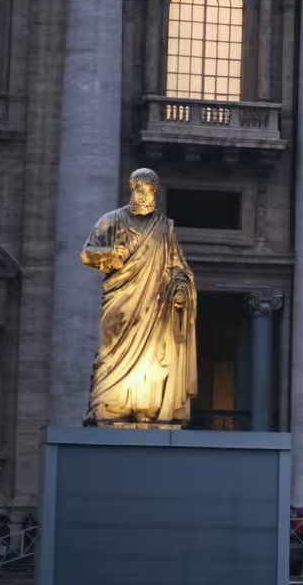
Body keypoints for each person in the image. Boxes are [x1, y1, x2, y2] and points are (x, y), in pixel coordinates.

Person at [79, 168, 197, 425]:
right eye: (140, 190)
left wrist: (179, 288)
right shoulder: (110, 220)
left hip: (154, 306)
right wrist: (111, 254)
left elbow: (179, 267)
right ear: (132, 189)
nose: (145, 196)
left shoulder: (164, 227)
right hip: (119, 302)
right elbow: (86, 254)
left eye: (150, 191)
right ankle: (108, 404)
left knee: (153, 356)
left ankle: (146, 407)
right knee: (111, 350)